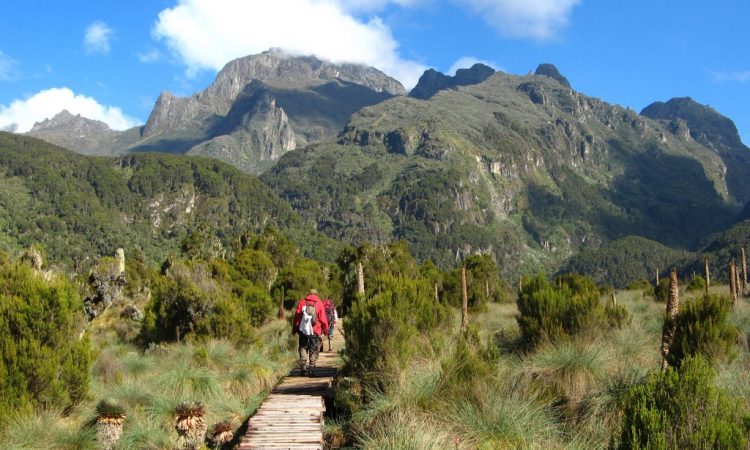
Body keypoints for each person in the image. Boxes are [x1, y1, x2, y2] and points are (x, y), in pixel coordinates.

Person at [292, 289, 328, 375]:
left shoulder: (302, 302)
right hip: (315, 331)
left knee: (303, 347)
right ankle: (311, 367)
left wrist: (294, 328)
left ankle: (303, 366)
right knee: (314, 348)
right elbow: (323, 319)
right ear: (316, 294)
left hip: (303, 331)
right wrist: (326, 331)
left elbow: (296, 316)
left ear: (308, 294)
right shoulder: (319, 303)